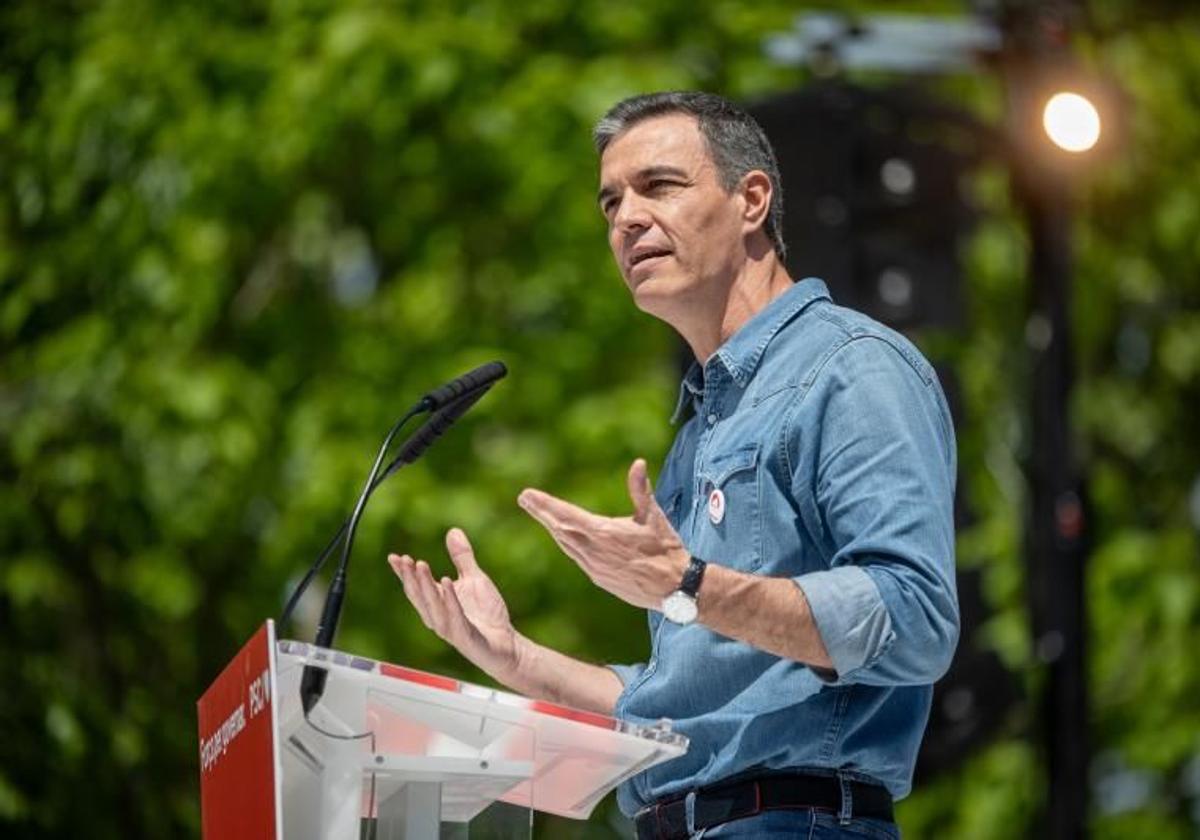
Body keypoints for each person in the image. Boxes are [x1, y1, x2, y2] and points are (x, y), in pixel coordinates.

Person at [387, 91, 959, 839]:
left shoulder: (851, 369)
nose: (625, 218)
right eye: (610, 203)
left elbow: (916, 618)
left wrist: (689, 585)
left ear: (751, 199)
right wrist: (514, 656)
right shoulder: (703, 426)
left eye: (658, 186)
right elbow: (677, 702)